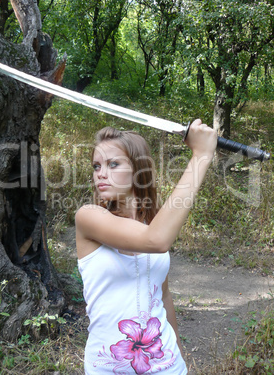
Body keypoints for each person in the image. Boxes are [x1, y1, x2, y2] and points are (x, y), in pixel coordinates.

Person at [76, 119, 217, 374]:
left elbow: (162, 297)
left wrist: (179, 358)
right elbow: (157, 240)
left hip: (167, 366)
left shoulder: (152, 223)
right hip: (107, 368)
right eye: (97, 166)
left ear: (138, 170)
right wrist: (201, 155)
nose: (100, 173)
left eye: (113, 164)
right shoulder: (88, 217)